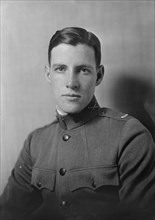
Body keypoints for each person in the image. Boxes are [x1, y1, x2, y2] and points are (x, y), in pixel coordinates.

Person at [0, 27, 155, 220]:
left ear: (98, 76)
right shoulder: (36, 142)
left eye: (83, 70)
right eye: (60, 69)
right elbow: (7, 214)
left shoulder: (130, 135)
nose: (71, 82)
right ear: (48, 74)